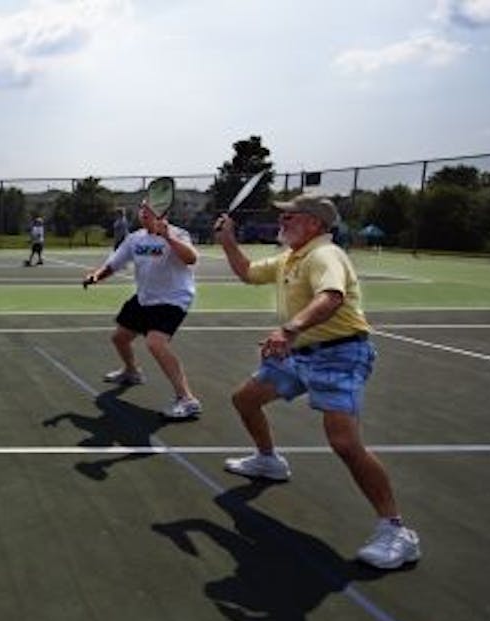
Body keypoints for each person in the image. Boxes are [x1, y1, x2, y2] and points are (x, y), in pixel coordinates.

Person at [213, 194, 420, 570]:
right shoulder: (291, 257)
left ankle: (397, 533)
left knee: (344, 442)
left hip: (340, 355)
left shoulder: (326, 255)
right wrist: (228, 240)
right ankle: (268, 460)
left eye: (290, 216)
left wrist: (289, 329)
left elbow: (332, 297)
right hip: (299, 354)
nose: (283, 220)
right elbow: (246, 272)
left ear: (315, 224)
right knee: (245, 399)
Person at [83, 202, 203, 419]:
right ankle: (132, 372)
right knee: (120, 338)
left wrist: (167, 236)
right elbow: (113, 264)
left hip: (173, 298)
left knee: (155, 343)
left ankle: (187, 400)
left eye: (149, 209)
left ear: (162, 214)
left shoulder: (178, 234)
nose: (143, 212)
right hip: (145, 297)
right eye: (142, 208)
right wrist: (96, 276)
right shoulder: (135, 239)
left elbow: (191, 258)